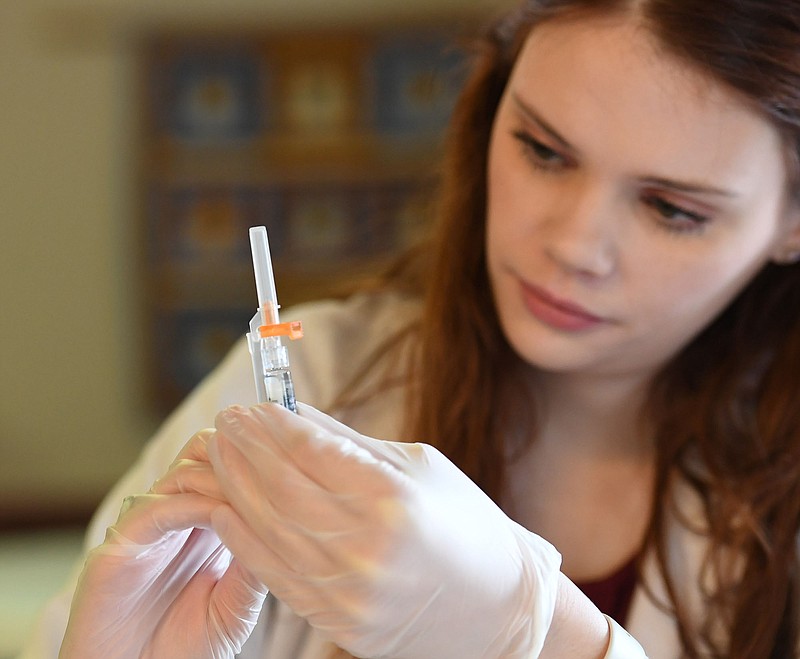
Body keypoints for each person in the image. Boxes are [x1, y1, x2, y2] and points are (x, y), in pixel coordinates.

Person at [20, 0, 800, 656]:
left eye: (672, 208)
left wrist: (544, 632)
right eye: (542, 149)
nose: (572, 244)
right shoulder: (318, 379)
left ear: (791, 222)